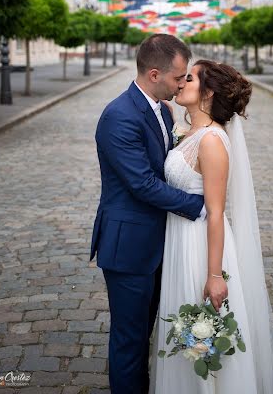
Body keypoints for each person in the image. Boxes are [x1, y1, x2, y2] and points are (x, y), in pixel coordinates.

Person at [150, 59, 273, 394]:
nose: (181, 82)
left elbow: (215, 212)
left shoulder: (211, 140)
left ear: (207, 92)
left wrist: (213, 275)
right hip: (178, 239)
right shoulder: (191, 133)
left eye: (190, 78)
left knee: (200, 334)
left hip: (198, 248)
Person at [90, 34, 205, 394]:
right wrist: (198, 206)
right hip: (128, 249)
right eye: (178, 77)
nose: (182, 83)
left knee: (147, 336)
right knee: (129, 341)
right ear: (154, 74)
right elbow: (141, 184)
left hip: (158, 245)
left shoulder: (164, 109)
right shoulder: (119, 115)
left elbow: (165, 168)